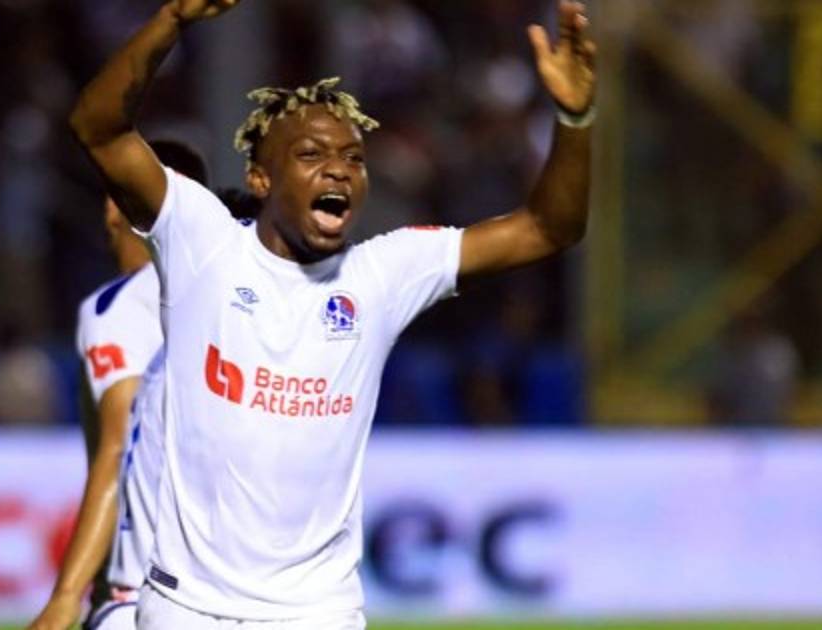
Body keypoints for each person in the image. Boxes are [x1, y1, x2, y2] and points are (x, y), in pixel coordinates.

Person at [68, 0, 594, 627]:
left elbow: (548, 228)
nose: (339, 169)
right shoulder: (203, 242)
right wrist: (170, 23)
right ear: (260, 179)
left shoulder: (383, 273)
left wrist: (574, 118)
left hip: (319, 613)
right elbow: (98, 128)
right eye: (312, 154)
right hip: (188, 610)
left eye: (353, 158)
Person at [29, 141, 259, 630]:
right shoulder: (252, 291)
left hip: (149, 588)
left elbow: (117, 451)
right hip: (250, 588)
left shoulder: (118, 307)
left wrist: (66, 596)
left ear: (116, 206)